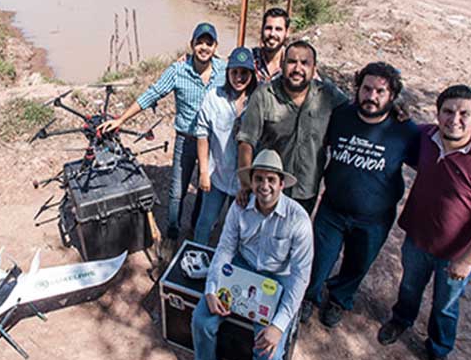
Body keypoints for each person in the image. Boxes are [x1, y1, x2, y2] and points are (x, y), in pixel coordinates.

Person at [377, 85, 471, 360]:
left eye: (464, 113)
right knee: (409, 286)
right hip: (417, 239)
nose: (455, 119)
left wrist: (468, 259)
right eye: (448, 111)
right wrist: (400, 113)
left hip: (456, 256)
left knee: (445, 305)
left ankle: (438, 350)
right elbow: (403, 130)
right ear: (438, 114)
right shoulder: (427, 138)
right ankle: (401, 320)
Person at [178, 149, 313, 360]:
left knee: (271, 358)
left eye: (271, 180)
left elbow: (300, 277)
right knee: (201, 320)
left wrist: (278, 326)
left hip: (277, 279)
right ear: (251, 181)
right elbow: (225, 249)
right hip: (242, 267)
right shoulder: (239, 206)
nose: (264, 186)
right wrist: (211, 289)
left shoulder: (298, 219)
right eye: (259, 178)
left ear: (281, 184)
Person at [300, 62, 420, 328]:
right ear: (358, 88)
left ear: (392, 96)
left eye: (380, 91)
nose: (371, 96)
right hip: (332, 209)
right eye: (366, 89)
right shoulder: (341, 116)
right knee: (319, 258)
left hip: (374, 218)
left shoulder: (405, 131)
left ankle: (339, 299)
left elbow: (427, 161)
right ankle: (309, 296)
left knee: (358, 264)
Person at [98, 23, 226, 256]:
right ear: (192, 44)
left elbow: (245, 79)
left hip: (211, 142)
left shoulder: (223, 70)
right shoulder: (178, 70)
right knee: (177, 192)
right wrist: (121, 119)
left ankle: (195, 228)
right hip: (186, 140)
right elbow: (153, 93)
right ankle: (172, 234)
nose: (204, 47)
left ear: (215, 47)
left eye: (209, 43)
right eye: (199, 42)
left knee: (205, 188)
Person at [236, 40, 349, 215]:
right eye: (292, 62)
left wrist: (392, 111)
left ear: (314, 68)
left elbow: (359, 112)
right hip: (268, 189)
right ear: (282, 65)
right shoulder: (264, 95)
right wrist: (246, 185)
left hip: (305, 192)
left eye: (304, 63)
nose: (297, 68)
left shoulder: (328, 96)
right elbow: (246, 141)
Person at [193, 46, 257, 245]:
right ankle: (196, 254)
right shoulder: (214, 97)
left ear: (252, 74)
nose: (238, 77)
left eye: (244, 72)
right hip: (218, 176)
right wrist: (204, 172)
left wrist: (248, 184)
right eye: (234, 72)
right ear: (227, 72)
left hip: (246, 183)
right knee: (205, 223)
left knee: (238, 228)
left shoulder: (258, 101)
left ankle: (228, 261)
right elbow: (202, 135)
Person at [252, 7, 290, 84]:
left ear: (287, 33)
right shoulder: (250, 58)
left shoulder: (293, 63)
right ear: (262, 30)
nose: (272, 34)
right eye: (268, 28)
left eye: (278, 29)